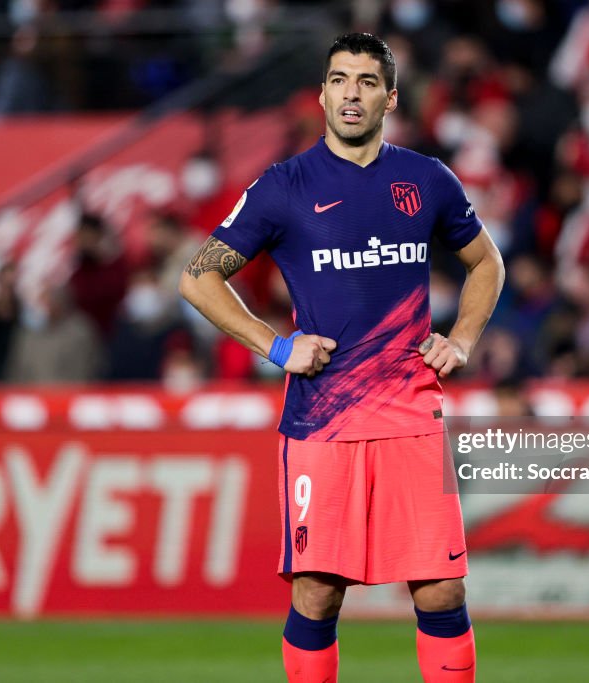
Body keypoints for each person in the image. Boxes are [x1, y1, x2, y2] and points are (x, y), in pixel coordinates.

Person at [178, 33, 503, 683]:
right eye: (339, 80)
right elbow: (198, 277)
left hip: (411, 410)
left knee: (440, 588)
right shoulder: (283, 186)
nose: (351, 93)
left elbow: (486, 262)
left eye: (365, 81)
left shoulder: (426, 179)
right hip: (324, 421)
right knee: (318, 591)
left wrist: (462, 337)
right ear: (323, 93)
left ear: (390, 98)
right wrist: (274, 344)